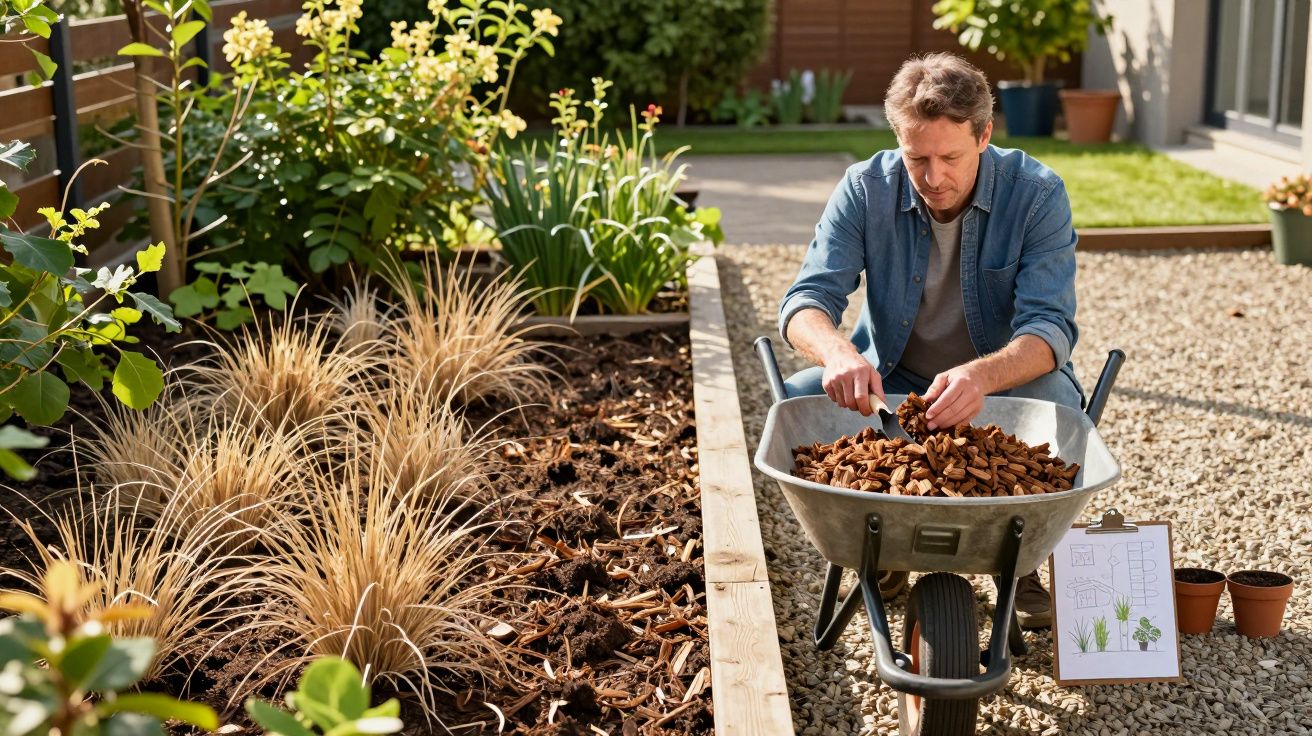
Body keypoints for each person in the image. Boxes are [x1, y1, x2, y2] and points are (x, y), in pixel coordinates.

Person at [777, 53, 1083, 629]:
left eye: (951, 157)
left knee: (1062, 412)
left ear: (985, 135)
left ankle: (1020, 558)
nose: (934, 177)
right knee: (798, 399)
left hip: (1001, 382)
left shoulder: (1037, 194)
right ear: (898, 140)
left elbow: (1049, 330)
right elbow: (805, 302)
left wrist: (981, 376)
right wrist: (839, 352)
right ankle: (879, 539)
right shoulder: (865, 188)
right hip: (892, 382)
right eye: (917, 158)